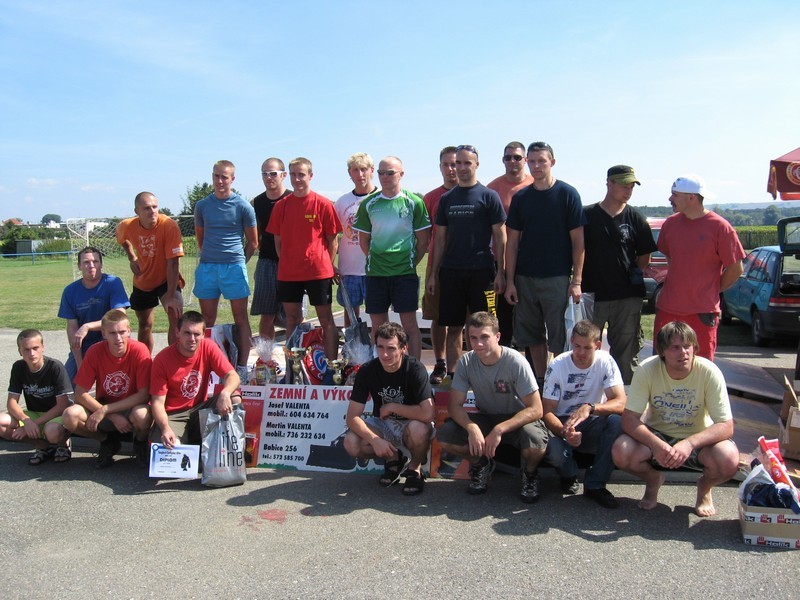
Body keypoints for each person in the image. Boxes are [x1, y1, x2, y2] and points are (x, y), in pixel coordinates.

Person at [611, 321, 739, 517]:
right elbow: (629, 419)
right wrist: (655, 444)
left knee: (728, 459)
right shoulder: (647, 369)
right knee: (621, 451)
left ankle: (705, 488)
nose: (683, 353)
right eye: (675, 347)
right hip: (657, 435)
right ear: (662, 351)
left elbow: (726, 425)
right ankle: (653, 480)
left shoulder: (709, 371)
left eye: (688, 346)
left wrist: (689, 444)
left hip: (697, 439)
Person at [437, 312, 549, 502]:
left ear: (497, 337)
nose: (478, 343)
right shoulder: (466, 361)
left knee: (536, 441)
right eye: (473, 338)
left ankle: (530, 474)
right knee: (446, 435)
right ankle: (481, 464)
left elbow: (536, 409)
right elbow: (454, 405)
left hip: (517, 419)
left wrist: (500, 429)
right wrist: (471, 427)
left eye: (484, 337)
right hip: (487, 417)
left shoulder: (515, 361)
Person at [505, 141, 586, 382]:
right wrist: (510, 281)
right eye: (532, 161)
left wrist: (577, 280)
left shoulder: (567, 194)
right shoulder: (521, 198)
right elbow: (512, 243)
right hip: (525, 278)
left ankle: (562, 382)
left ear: (552, 162)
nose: (537, 166)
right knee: (532, 335)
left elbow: (578, 242)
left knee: (560, 335)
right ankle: (542, 382)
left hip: (557, 277)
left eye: (541, 161)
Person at [426, 145, 506, 379]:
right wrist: (434, 274)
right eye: (457, 163)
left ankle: (483, 375)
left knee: (483, 328)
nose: (461, 167)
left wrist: (501, 271)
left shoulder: (489, 196)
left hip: (482, 272)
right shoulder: (447, 199)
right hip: (451, 272)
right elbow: (439, 239)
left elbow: (500, 236)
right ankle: (454, 375)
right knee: (453, 328)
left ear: (476, 165)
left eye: (466, 163)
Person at [654, 175, 745, 360]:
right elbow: (671, 258)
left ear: (691, 197)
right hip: (668, 309)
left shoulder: (721, 227)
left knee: (700, 367)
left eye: (675, 195)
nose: (670, 199)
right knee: (662, 365)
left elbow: (736, 269)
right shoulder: (670, 224)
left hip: (702, 312)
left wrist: (712, 289)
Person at [582, 165, 656, 384]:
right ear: (609, 184)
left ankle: (624, 396)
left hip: (627, 295)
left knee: (626, 352)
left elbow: (644, 257)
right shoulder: (587, 215)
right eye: (624, 185)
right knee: (585, 348)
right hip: (593, 294)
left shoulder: (636, 218)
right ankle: (586, 392)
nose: (628, 190)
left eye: (632, 186)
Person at [541, 320, 626, 508]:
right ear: (571, 341)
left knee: (617, 421)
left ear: (598, 345)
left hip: (591, 419)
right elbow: (547, 412)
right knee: (555, 452)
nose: (580, 353)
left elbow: (621, 403)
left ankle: (595, 484)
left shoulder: (605, 361)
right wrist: (564, 431)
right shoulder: (558, 365)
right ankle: (569, 474)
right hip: (561, 421)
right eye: (577, 346)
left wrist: (590, 407)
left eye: (587, 348)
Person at [343, 322, 434, 496]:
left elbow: (428, 413)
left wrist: (393, 407)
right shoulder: (367, 370)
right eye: (380, 347)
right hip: (383, 424)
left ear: (404, 348)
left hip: (411, 423)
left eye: (391, 348)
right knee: (351, 443)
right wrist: (374, 439)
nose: (384, 354)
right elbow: (352, 417)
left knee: (419, 430)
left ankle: (415, 468)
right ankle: (394, 458)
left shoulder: (415, 368)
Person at [354, 156, 431, 359]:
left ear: (401, 174)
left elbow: (423, 241)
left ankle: (414, 368)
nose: (385, 177)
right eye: (381, 173)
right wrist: (378, 261)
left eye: (390, 173)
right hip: (376, 275)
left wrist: (409, 263)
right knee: (378, 327)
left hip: (404, 274)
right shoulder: (369, 204)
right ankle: (379, 367)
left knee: (409, 325)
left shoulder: (414, 202)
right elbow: (364, 241)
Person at [267, 157, 343, 360]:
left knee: (326, 320)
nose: (297, 179)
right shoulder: (281, 206)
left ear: (310, 175)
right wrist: (288, 262)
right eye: (293, 174)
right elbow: (278, 241)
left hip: (318, 272)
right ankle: (294, 369)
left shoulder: (323, 204)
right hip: (289, 274)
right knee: (292, 319)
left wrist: (326, 264)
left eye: (301, 174)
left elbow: (333, 241)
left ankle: (331, 366)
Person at [194, 159, 258, 382]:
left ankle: (242, 367)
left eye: (224, 177)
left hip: (234, 268)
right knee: (206, 319)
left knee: (240, 318)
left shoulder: (243, 206)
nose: (220, 181)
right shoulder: (202, 206)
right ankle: (205, 366)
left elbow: (253, 242)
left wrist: (239, 261)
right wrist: (212, 256)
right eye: (216, 176)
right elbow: (201, 239)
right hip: (208, 268)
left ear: (232, 179)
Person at [62, 310, 152, 468]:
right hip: (104, 407)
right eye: (112, 333)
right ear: (103, 333)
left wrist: (106, 410)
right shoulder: (95, 351)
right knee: (70, 415)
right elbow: (80, 394)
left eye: (122, 332)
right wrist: (110, 414)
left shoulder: (140, 350)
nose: (118, 338)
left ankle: (140, 443)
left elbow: (144, 395)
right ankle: (107, 441)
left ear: (129, 331)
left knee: (142, 415)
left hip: (131, 408)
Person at [150, 310, 242, 448]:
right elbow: (157, 403)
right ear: (177, 332)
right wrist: (165, 428)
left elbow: (233, 376)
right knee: (170, 447)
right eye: (187, 333)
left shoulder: (209, 347)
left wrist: (225, 393)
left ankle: (233, 449)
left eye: (197, 334)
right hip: (174, 415)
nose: (192, 339)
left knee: (234, 397)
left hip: (199, 409)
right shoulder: (162, 359)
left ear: (204, 335)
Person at [116, 191, 184, 351]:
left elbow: (173, 263)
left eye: (155, 207)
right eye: (146, 208)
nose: (152, 211)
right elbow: (121, 239)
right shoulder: (127, 225)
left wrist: (171, 295)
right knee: (145, 324)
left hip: (166, 279)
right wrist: (132, 257)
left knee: (175, 315)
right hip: (143, 281)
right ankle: (144, 359)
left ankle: (174, 359)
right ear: (137, 211)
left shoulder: (169, 225)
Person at [58, 246, 130, 382]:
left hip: (111, 341)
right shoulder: (70, 291)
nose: (91, 265)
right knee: (68, 385)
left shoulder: (113, 283)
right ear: (79, 266)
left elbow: (119, 317)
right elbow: (72, 329)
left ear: (101, 264)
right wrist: (80, 364)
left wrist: (87, 326)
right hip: (84, 345)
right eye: (86, 262)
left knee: (116, 382)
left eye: (95, 261)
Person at [0, 330, 72, 465]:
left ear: (43, 347)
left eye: (35, 348)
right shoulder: (18, 367)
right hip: (34, 413)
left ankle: (63, 444)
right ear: (20, 351)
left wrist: (33, 424)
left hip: (57, 415)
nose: (31, 353)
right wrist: (26, 421)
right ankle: (42, 446)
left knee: (52, 432)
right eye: (26, 350)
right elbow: (11, 403)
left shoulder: (55, 367)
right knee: (1, 422)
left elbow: (62, 405)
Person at [487, 141, 533, 347]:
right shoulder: (493, 189)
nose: (512, 161)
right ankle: (504, 353)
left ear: (525, 160)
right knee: (503, 314)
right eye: (508, 157)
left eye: (517, 157)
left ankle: (532, 362)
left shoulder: (535, 185)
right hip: (502, 260)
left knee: (531, 313)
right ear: (503, 160)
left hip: (530, 259)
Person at [422, 146, 458, 385]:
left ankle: (461, 369)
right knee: (438, 318)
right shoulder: (430, 197)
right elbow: (425, 236)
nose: (451, 169)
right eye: (446, 164)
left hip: (466, 266)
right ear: (440, 167)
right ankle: (440, 363)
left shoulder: (476, 193)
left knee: (462, 321)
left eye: (455, 164)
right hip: (437, 266)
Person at [251, 157, 292, 340]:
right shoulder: (256, 203)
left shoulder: (293, 199)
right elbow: (255, 235)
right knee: (266, 315)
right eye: (265, 174)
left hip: (292, 263)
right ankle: (266, 355)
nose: (269, 177)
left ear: (283, 175)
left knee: (294, 315)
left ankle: (294, 355)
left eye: (273, 173)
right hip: (267, 262)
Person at [334, 153, 376, 327]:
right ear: (349, 173)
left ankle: (377, 344)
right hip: (349, 268)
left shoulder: (381, 197)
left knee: (378, 314)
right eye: (355, 170)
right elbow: (333, 234)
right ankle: (352, 343)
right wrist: (331, 263)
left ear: (372, 170)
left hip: (375, 268)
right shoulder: (342, 202)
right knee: (350, 315)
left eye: (364, 169)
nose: (360, 174)